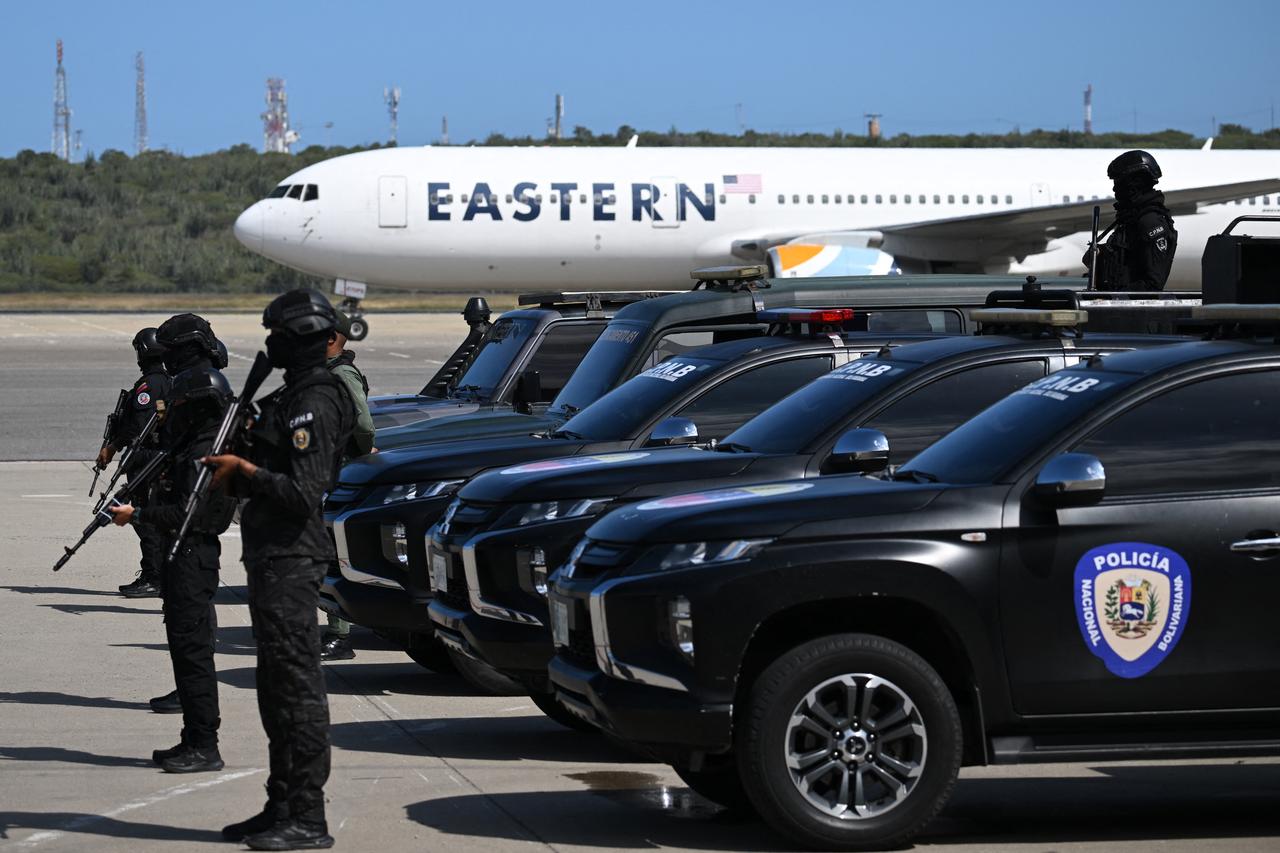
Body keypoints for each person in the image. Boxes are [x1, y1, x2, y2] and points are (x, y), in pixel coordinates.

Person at [204, 289, 353, 851]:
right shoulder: (289, 397)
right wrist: (241, 468)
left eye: (278, 335)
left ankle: (307, 818)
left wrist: (247, 470)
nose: (270, 344)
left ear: (299, 339)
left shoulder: (316, 399)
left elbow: (304, 491)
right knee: (275, 689)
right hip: (272, 559)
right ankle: (281, 803)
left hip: (293, 559)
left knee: (298, 691)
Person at [109, 325, 235, 773]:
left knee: (192, 650)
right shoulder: (195, 444)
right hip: (187, 554)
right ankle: (194, 738)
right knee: (187, 649)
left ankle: (204, 743)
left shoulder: (204, 449)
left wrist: (138, 517)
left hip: (193, 552)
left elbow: (189, 512)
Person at [320, 310, 375, 662]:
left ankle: (340, 636)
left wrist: (361, 451)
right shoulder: (327, 373)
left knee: (332, 554)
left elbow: (364, 423)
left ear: (330, 338)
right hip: (327, 471)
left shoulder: (341, 374)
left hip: (338, 473)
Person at [101, 328, 171, 599]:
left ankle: (154, 576)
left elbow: (139, 429)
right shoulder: (165, 381)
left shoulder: (149, 386)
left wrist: (115, 445)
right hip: (156, 461)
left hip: (146, 462)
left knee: (145, 519)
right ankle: (158, 573)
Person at [1084, 149, 1178, 292]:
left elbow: (1152, 284)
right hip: (1115, 306)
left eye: (1120, 182)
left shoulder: (1150, 222)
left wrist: (1116, 296)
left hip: (1133, 310)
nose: (1115, 188)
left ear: (1136, 183)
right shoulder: (1129, 221)